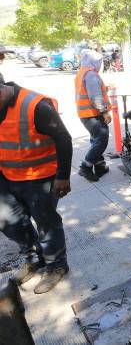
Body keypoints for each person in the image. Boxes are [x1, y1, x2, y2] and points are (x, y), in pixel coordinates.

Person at [0, 80, 73, 293]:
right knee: (8, 220)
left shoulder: (36, 107)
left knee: (46, 222)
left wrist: (63, 176)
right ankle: (33, 257)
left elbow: (63, 139)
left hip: (39, 178)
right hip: (5, 176)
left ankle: (56, 265)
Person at [75, 50, 111, 182]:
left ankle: (100, 166)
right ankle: (85, 167)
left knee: (96, 139)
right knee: (102, 139)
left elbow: (91, 90)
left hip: (85, 114)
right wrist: (104, 112)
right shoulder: (90, 74)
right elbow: (95, 97)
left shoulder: (82, 72)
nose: (100, 65)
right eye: (99, 62)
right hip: (93, 114)